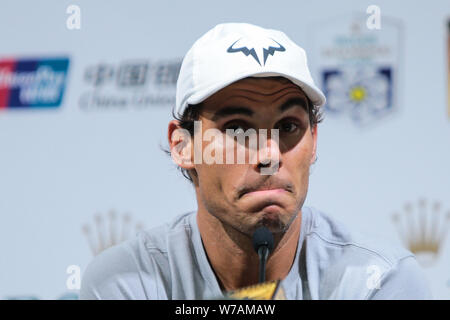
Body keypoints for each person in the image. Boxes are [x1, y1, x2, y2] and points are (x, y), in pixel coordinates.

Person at [80, 22, 432, 299]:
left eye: (288, 126)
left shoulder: (378, 280)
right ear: (183, 145)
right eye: (236, 129)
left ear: (313, 142)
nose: (269, 155)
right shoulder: (128, 283)